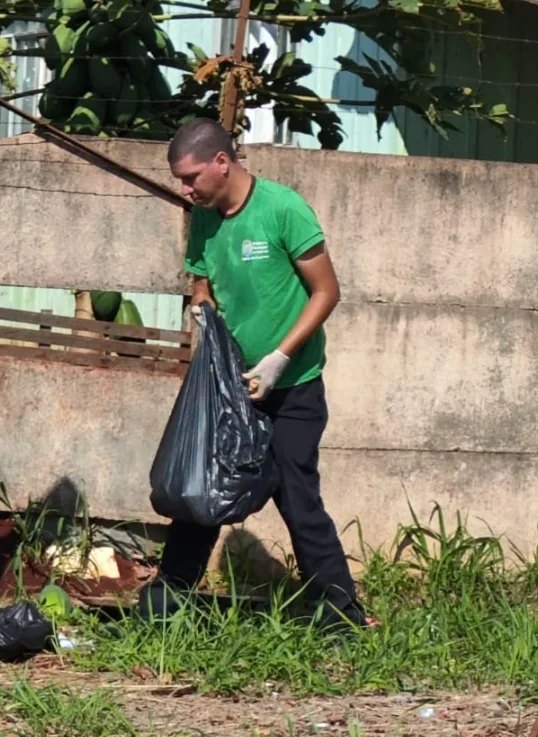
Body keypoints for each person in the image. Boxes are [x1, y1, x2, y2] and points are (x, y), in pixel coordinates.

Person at [141, 118, 368, 629]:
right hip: (233, 390)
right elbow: (202, 284)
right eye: (180, 180)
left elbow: (327, 291)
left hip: (293, 388)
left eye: (192, 177)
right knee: (202, 490)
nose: (186, 189)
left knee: (297, 496)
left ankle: (340, 616)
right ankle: (165, 609)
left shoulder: (282, 209)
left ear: (222, 162)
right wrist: (203, 313)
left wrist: (280, 358)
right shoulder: (204, 218)